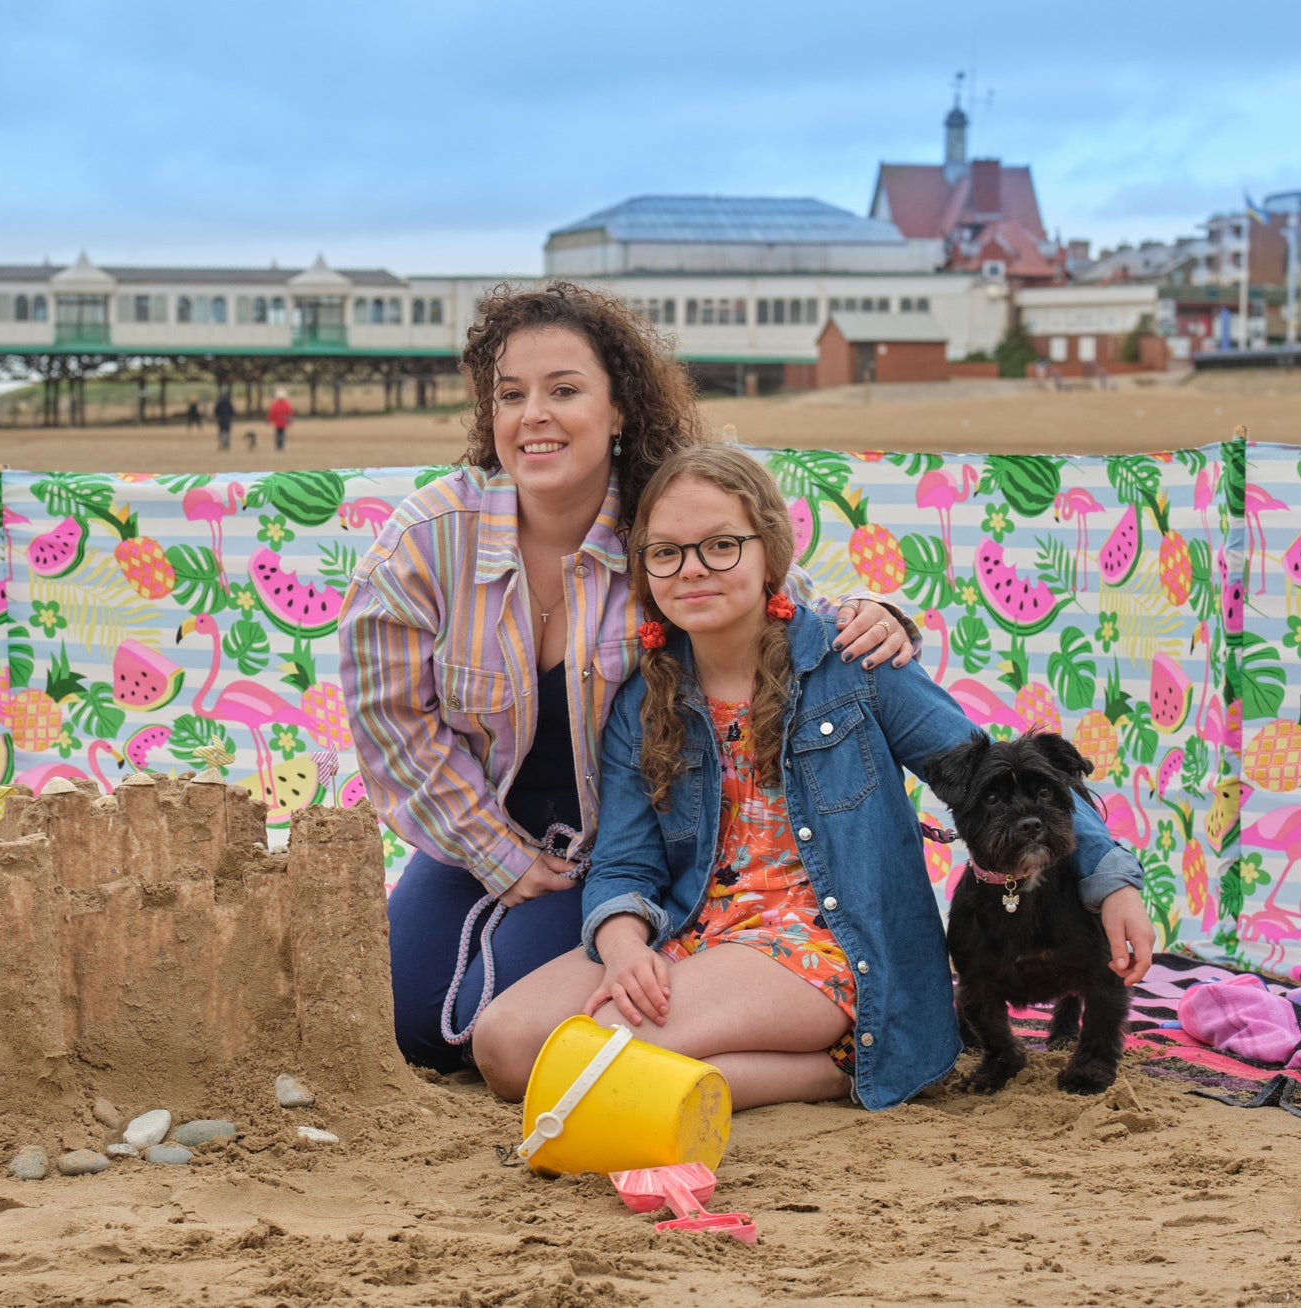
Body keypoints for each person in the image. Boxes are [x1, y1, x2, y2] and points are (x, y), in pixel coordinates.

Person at [339, 282, 919, 1074]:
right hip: (474, 825)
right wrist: (499, 858)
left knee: (480, 1035)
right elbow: (391, 722)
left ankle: (791, 1027)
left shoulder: (666, 526)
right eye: (511, 395)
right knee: (402, 1023)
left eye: (565, 390)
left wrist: (881, 615)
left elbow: (782, 597)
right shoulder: (427, 539)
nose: (533, 414)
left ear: (619, 411)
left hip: (623, 844)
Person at [472, 444, 1155, 1110]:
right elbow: (624, 863)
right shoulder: (644, 701)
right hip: (692, 929)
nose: (693, 570)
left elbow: (1000, 768)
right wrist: (623, 949)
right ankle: (820, 1068)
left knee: (601, 1060)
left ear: (769, 548)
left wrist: (1110, 881)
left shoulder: (852, 659)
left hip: (826, 940)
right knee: (504, 1047)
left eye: (720, 545)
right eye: (666, 552)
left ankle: (854, 1052)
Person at [267, 387, 294, 452]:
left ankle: (278, 446)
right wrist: (290, 420)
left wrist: (269, 419)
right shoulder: (286, 404)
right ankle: (281, 446)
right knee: (282, 434)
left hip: (277, 422)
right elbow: (289, 412)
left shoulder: (275, 404)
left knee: (278, 434)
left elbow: (272, 412)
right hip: (283, 422)